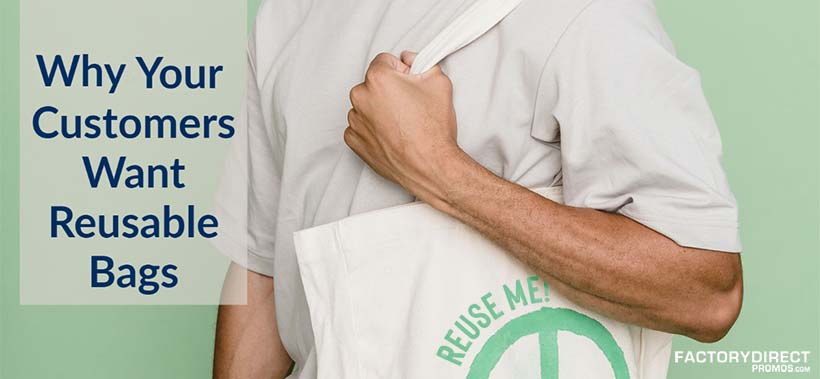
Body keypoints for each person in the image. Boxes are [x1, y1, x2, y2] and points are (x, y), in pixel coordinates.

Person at [212, 0, 744, 377]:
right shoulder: (286, 15)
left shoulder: (586, 14)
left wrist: (439, 170)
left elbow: (705, 292)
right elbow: (264, 268)